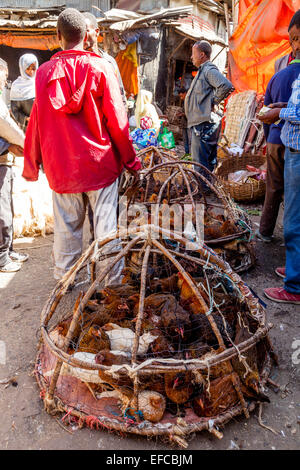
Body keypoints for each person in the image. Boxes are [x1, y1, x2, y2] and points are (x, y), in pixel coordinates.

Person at [23, 8, 141, 281]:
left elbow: (36, 122)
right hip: (100, 167)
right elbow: (118, 122)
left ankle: (66, 286)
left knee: (66, 233)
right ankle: (110, 287)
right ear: (87, 35)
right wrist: (131, 161)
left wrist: (33, 162)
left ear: (57, 36)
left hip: (61, 168)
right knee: (106, 231)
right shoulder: (101, 68)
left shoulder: (42, 73)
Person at [259, 11, 300, 304]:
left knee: (294, 219)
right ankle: (295, 269)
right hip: (289, 146)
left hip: (292, 149)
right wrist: (286, 106)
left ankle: (294, 286)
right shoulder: (291, 72)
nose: (294, 45)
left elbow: (292, 113)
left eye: (297, 38)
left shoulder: (280, 73)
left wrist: (278, 113)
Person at [184, 40, 234, 173]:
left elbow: (226, 85)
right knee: (207, 163)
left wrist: (214, 102)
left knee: (200, 163)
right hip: (203, 123)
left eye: (193, 54)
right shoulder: (202, 71)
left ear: (202, 55)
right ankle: (209, 190)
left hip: (203, 124)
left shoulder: (208, 69)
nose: (191, 57)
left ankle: (203, 191)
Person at [0, 58, 28, 273]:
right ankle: (2, 256)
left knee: (7, 205)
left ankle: (8, 249)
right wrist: (10, 144)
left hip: (5, 159)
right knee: (2, 210)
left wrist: (11, 144)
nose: (3, 82)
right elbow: (5, 125)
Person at [83, 12, 127, 109]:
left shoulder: (109, 62)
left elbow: (120, 95)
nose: (83, 35)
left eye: (86, 30)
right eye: (79, 32)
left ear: (97, 32)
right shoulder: (75, 62)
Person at [10, 54, 38, 130]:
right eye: (27, 68)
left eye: (33, 68)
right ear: (22, 68)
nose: (31, 71)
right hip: (27, 128)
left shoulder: (40, 82)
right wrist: (26, 119)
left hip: (43, 126)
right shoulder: (17, 86)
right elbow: (14, 110)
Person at [178, 87, 191, 156]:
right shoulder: (185, 101)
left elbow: (190, 113)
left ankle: (191, 154)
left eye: (181, 96)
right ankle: (187, 154)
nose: (181, 98)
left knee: (189, 140)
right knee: (185, 140)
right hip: (184, 124)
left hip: (189, 124)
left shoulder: (189, 101)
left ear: (185, 93)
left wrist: (182, 114)